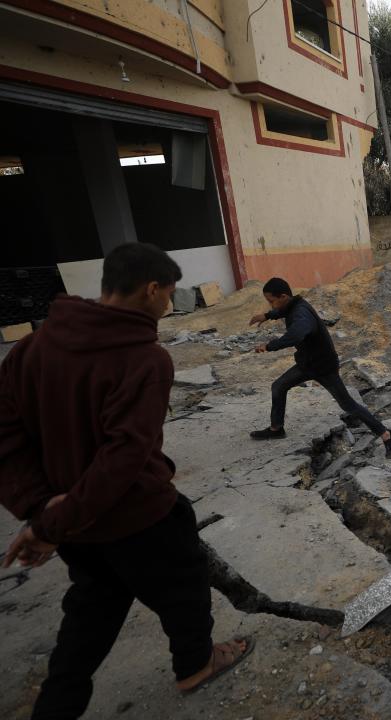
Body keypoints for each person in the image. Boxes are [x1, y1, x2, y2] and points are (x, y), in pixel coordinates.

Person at [0, 243, 254, 719]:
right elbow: (123, 461)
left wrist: (43, 511)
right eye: (168, 294)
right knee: (185, 588)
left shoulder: (32, 347)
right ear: (152, 289)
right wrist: (50, 522)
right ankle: (196, 664)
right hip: (141, 517)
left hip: (75, 527)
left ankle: (56, 707)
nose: (166, 305)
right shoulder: (145, 360)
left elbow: (6, 434)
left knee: (90, 612)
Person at [248, 278, 391, 458]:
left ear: (284, 296)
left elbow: (295, 335)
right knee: (278, 386)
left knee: (348, 404)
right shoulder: (293, 305)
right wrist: (267, 316)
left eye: (271, 301)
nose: (271, 305)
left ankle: (387, 435)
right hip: (307, 364)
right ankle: (276, 429)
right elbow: (283, 311)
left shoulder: (301, 313)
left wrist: (269, 346)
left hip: (323, 367)